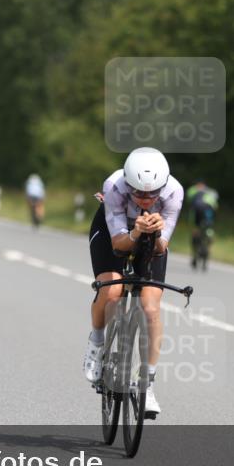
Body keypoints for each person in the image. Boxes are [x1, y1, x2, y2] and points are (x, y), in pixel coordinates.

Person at [83, 147, 183, 416]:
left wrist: (155, 232)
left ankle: (146, 383)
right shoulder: (114, 187)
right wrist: (136, 230)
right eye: (138, 192)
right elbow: (118, 243)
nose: (146, 198)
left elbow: (161, 248)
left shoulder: (174, 192)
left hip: (151, 239)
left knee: (151, 308)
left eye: (153, 193)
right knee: (112, 290)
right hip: (111, 235)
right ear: (127, 183)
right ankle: (96, 342)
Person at [185, 180, 219, 270]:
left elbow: (189, 200)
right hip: (208, 214)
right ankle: (208, 241)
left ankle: (195, 256)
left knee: (195, 234)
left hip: (196, 214)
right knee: (209, 233)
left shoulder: (193, 191)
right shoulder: (211, 193)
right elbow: (215, 208)